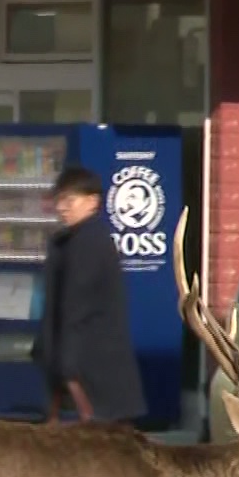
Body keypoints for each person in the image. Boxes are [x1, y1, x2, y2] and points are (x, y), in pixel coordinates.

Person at [31, 165, 147, 425]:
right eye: (59, 200)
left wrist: (67, 364)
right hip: (73, 365)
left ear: (92, 201)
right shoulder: (69, 241)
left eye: (69, 200)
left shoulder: (91, 242)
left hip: (90, 369)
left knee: (96, 446)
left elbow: (78, 308)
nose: (62, 207)